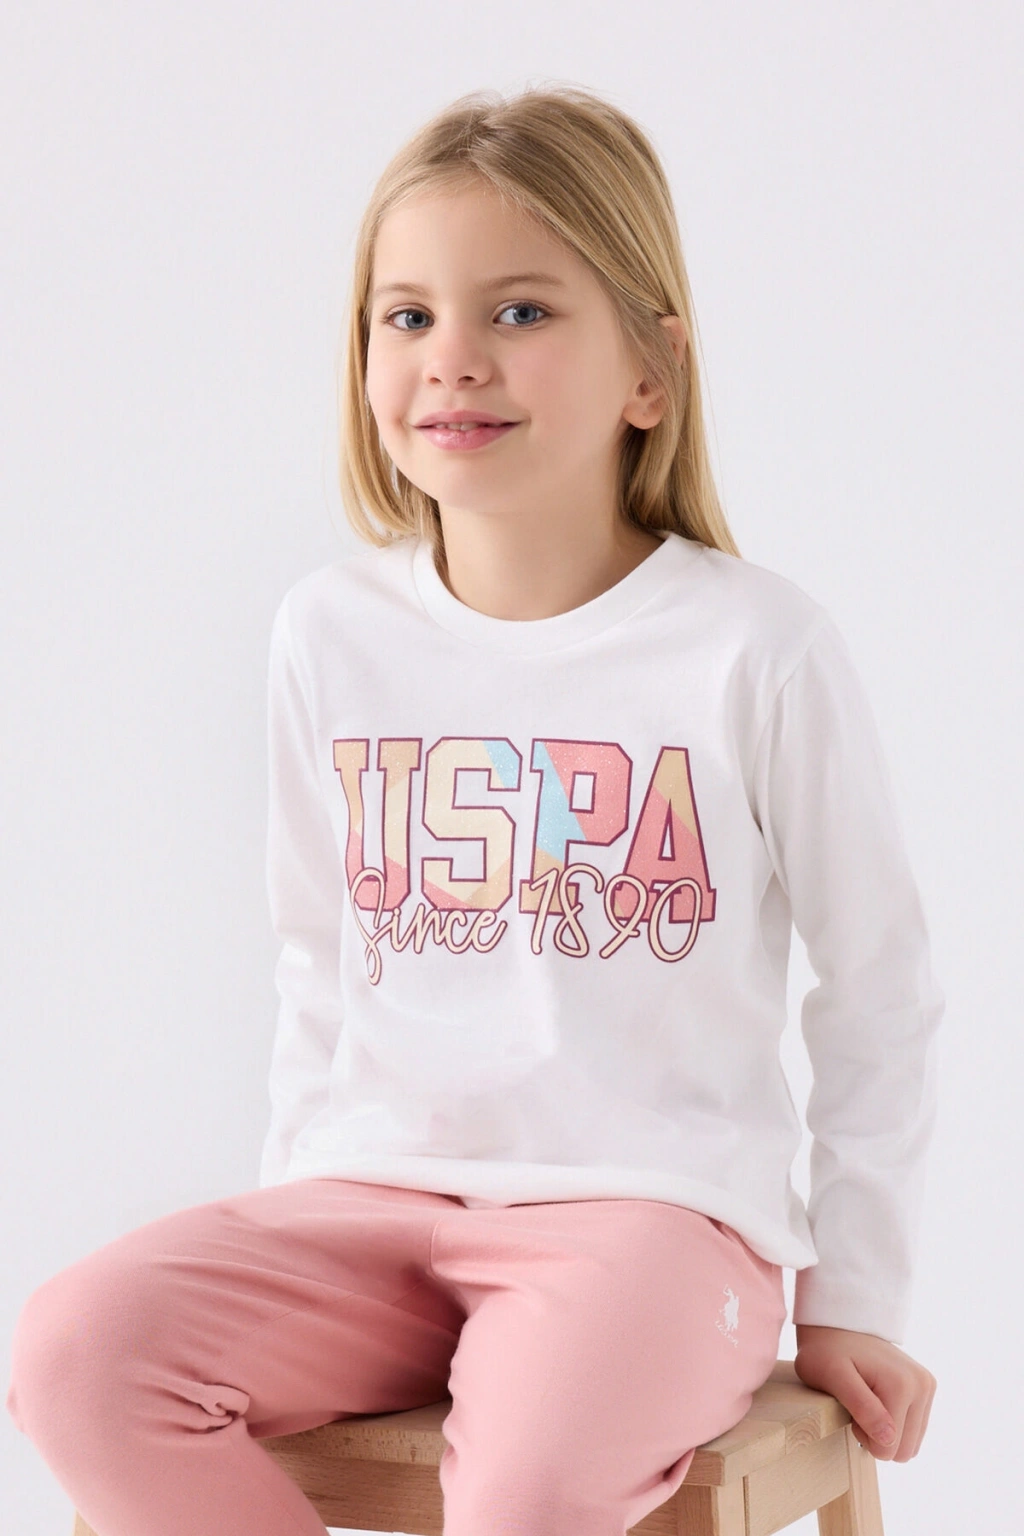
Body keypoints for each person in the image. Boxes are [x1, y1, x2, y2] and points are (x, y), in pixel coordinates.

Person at [7, 84, 942, 1536]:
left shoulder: (752, 649)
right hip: (370, 1210)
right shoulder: (329, 634)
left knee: (527, 1482)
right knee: (79, 1353)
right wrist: (295, 1207)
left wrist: (854, 1297)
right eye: (408, 316)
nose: (453, 357)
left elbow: (878, 988)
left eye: (519, 311)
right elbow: (322, 957)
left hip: (652, 1225)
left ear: (651, 370)